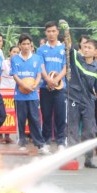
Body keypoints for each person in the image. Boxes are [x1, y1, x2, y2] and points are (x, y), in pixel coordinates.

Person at [64, 35, 97, 168]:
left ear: (96, 51)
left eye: (89, 48)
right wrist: (67, 31)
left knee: (90, 130)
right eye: (85, 47)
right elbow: (69, 46)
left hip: (88, 101)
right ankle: (72, 157)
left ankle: (89, 159)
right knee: (73, 129)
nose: (86, 50)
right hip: (73, 98)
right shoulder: (76, 59)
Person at [11, 33, 50, 155]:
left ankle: (40, 144)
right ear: (19, 45)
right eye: (23, 44)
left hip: (33, 95)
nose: (26, 46)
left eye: (28, 44)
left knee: (35, 119)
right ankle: (21, 142)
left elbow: (39, 75)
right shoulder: (15, 59)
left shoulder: (37, 58)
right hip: (20, 95)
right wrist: (23, 85)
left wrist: (34, 85)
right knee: (21, 119)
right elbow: (15, 75)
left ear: (31, 45)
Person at [36, 21, 67, 150]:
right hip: (45, 87)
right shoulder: (41, 49)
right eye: (48, 31)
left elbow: (66, 67)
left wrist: (56, 81)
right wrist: (48, 80)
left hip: (60, 88)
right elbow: (40, 66)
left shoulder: (64, 49)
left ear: (58, 32)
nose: (51, 34)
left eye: (53, 31)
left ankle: (61, 141)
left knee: (60, 114)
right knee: (46, 114)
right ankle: (46, 141)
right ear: (46, 33)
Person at [0, 45, 19, 144]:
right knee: (2, 113)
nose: (15, 54)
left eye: (17, 52)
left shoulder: (19, 63)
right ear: (10, 52)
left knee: (11, 113)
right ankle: (0, 135)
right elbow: (0, 74)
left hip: (13, 91)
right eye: (14, 52)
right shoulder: (4, 63)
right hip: (3, 90)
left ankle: (8, 136)